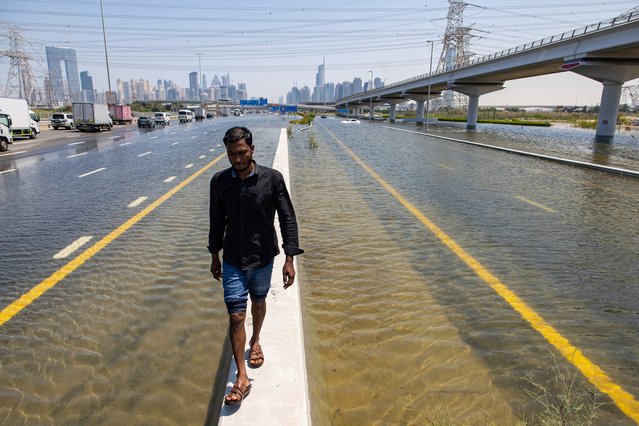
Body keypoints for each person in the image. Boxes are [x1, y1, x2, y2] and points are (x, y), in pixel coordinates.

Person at [208, 126, 304, 407]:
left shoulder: (272, 179)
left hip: (263, 257)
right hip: (234, 258)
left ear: (252, 149)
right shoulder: (220, 181)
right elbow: (216, 221)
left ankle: (256, 340)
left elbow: (288, 219)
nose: (236, 160)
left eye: (241, 153)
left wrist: (289, 259)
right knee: (236, 314)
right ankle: (241, 376)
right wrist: (215, 255)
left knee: (259, 301)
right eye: (231, 155)